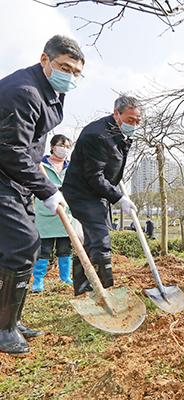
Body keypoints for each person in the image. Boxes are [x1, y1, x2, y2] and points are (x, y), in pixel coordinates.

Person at [0, 35, 84, 354]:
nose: (70, 76)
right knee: (23, 243)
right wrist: (47, 189)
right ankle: (3, 329)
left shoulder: (51, 92)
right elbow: (11, 149)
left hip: (16, 177)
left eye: (76, 72)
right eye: (65, 67)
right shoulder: (24, 91)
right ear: (44, 60)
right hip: (4, 173)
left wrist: (43, 183)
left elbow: (31, 144)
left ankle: (10, 318)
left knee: (21, 246)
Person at [62, 95, 141, 296]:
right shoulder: (96, 135)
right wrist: (118, 197)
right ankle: (104, 292)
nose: (134, 125)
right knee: (100, 240)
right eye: (130, 120)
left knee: (92, 241)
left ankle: (84, 289)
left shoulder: (118, 133)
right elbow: (94, 176)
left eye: (137, 121)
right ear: (116, 114)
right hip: (82, 192)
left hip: (98, 192)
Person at [32, 135, 74, 293]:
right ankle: (38, 281)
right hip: (45, 212)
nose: (64, 149)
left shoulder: (70, 167)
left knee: (65, 248)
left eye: (67, 146)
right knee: (44, 250)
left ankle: (65, 278)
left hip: (65, 212)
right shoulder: (40, 164)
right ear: (52, 146)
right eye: (61, 145)